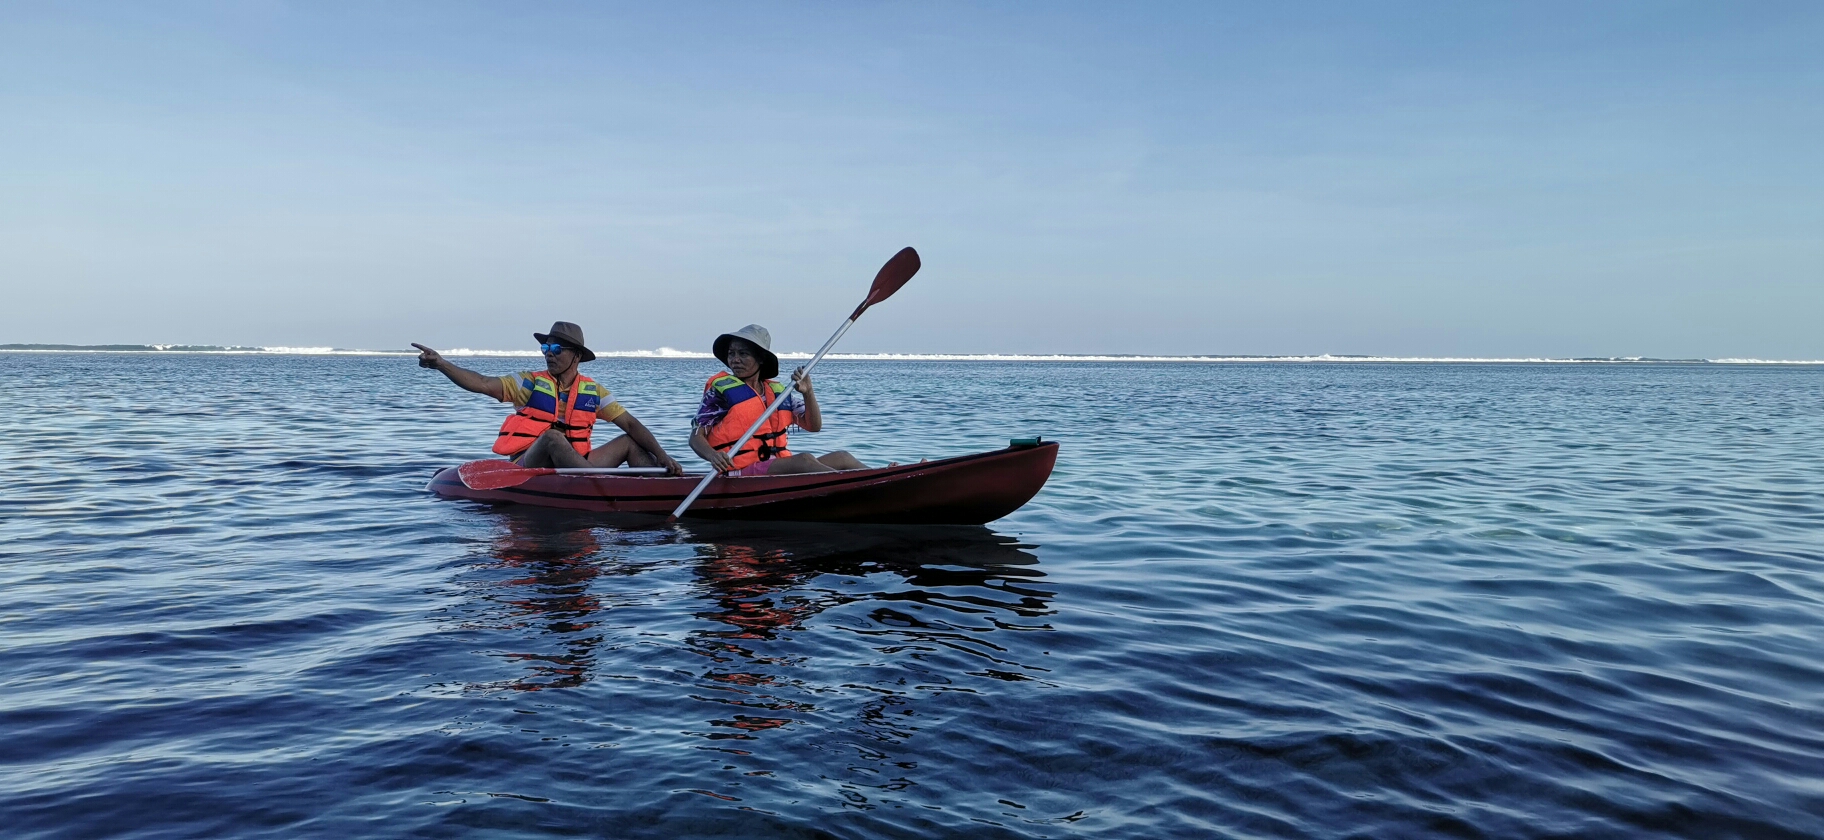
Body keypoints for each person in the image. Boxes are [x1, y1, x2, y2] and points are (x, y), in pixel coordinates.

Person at [413, 321, 683, 474]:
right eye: (545, 347)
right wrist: (442, 364)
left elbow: (632, 425)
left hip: (579, 466)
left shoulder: (594, 391)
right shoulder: (529, 383)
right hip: (529, 465)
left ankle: (658, 488)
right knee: (553, 437)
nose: (548, 353)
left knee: (629, 442)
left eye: (556, 348)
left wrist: (663, 457)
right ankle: (596, 486)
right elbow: (483, 383)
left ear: (576, 356)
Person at [688, 324, 867, 476]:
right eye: (731, 353)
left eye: (743, 354)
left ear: (760, 359)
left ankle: (881, 477)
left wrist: (808, 392)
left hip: (777, 466)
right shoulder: (719, 392)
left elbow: (814, 426)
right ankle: (853, 487)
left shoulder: (778, 392)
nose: (735, 360)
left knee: (842, 457)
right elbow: (696, 438)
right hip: (740, 469)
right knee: (804, 460)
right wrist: (713, 456)